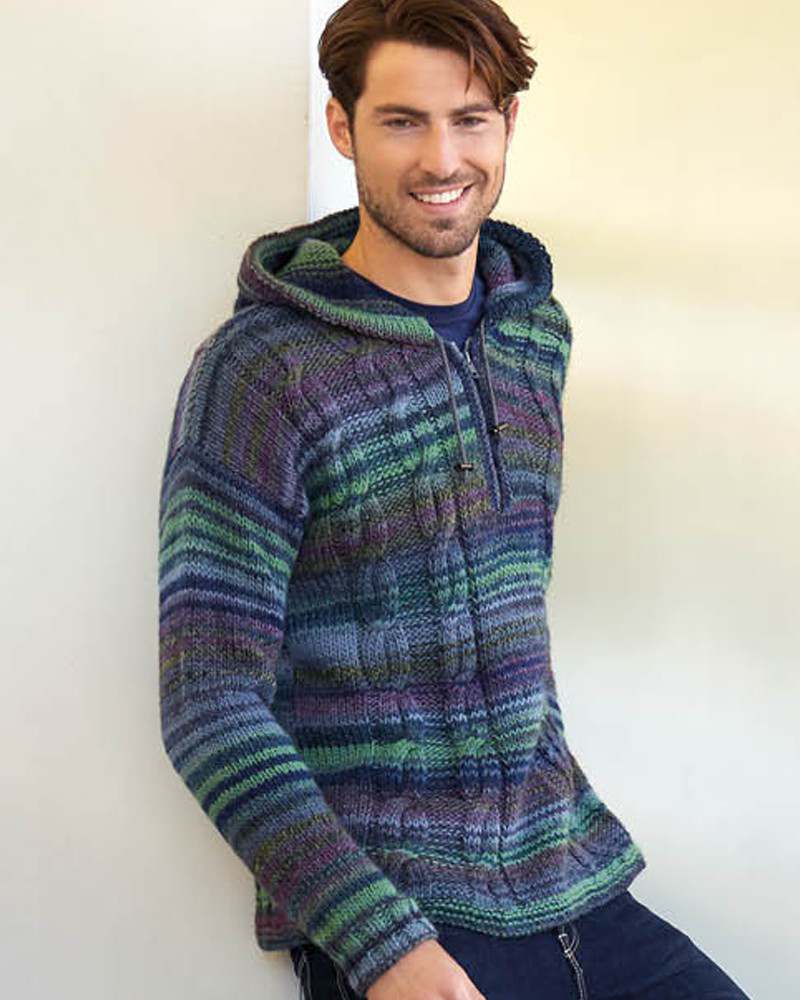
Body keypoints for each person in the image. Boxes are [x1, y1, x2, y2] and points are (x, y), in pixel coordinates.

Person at [157, 1, 751, 997]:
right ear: (342, 125)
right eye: (402, 121)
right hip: (405, 918)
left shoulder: (535, 335)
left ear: (507, 124)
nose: (441, 158)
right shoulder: (261, 372)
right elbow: (207, 699)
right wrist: (380, 944)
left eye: (469, 118)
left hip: (578, 880)